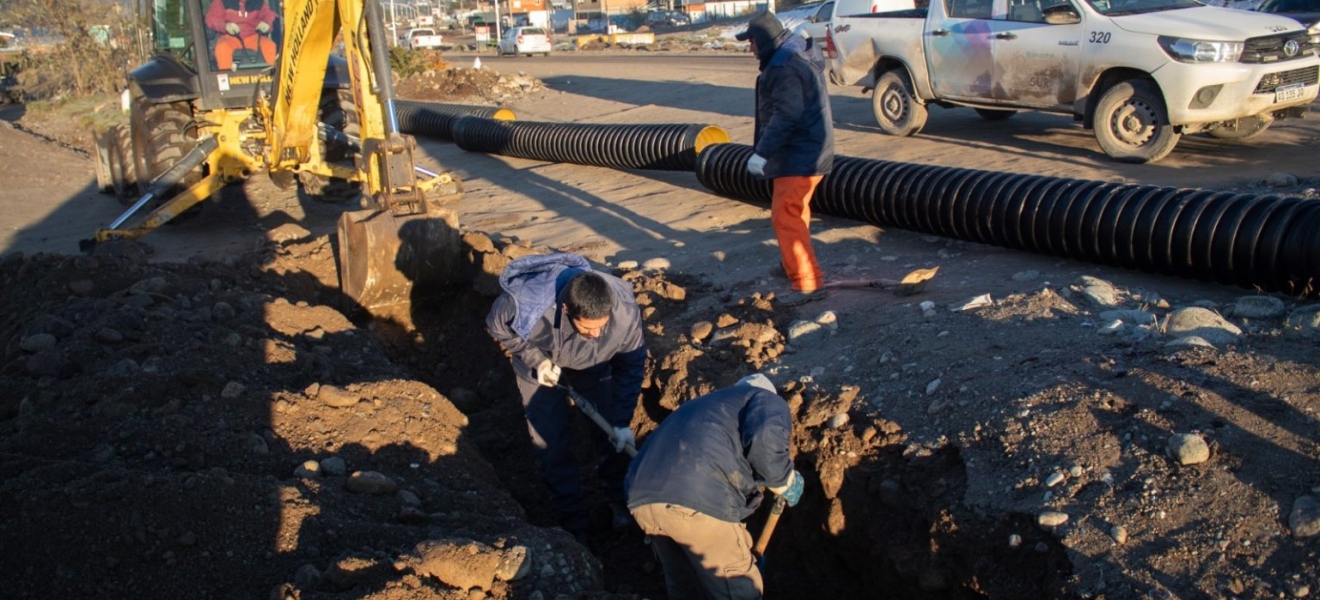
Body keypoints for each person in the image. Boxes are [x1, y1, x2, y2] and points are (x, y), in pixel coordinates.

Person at [486, 252, 646, 540]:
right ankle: (573, 523)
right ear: (566, 309)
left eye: (601, 326)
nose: (596, 333)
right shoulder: (525, 303)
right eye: (588, 327)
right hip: (541, 361)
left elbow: (631, 366)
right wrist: (536, 360)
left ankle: (620, 503)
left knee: (610, 434)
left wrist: (622, 422)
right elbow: (496, 326)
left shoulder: (624, 314)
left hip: (593, 364)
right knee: (551, 442)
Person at [625, 374, 804, 600]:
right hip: (694, 497)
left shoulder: (702, 406)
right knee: (741, 591)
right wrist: (784, 480)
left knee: (688, 588)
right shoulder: (765, 398)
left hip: (641, 498)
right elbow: (764, 439)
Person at [737, 11, 836, 307]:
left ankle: (807, 283)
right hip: (810, 149)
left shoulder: (783, 68)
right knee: (795, 212)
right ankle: (791, 264)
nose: (750, 48)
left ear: (764, 40)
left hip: (799, 154)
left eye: (751, 41)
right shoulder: (793, 55)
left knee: (786, 216)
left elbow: (786, 115)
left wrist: (761, 153)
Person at [206, 0, 279, 70]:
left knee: (269, 45)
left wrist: (267, 23)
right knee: (222, 48)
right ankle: (226, 77)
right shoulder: (221, 1)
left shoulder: (258, 2)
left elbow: (271, 15)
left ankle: (270, 78)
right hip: (229, 37)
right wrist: (225, 26)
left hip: (253, 36)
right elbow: (211, 19)